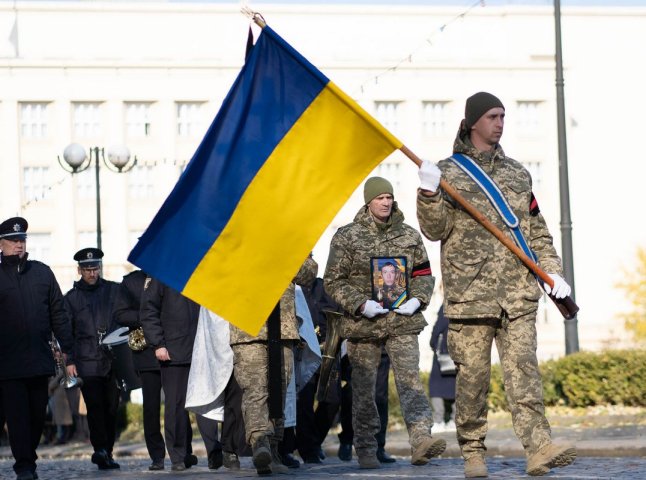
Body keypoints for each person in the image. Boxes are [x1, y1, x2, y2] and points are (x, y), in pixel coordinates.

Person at [416, 91, 576, 478]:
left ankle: (539, 448)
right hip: (471, 296)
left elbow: (536, 230)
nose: (500, 123)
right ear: (473, 122)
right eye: (492, 116)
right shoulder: (448, 172)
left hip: (518, 293)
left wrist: (553, 272)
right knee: (472, 380)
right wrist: (427, 193)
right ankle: (473, 452)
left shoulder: (518, 173)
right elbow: (435, 230)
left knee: (524, 371)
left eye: (503, 116)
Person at [324, 177, 446, 470]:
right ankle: (365, 447)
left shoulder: (409, 235)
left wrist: (417, 300)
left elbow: (424, 274)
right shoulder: (347, 236)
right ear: (368, 201)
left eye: (389, 197)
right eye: (380, 197)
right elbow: (333, 281)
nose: (386, 202)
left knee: (410, 383)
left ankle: (421, 441)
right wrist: (360, 304)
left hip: (402, 323)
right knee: (364, 390)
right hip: (364, 327)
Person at [0, 217, 75, 480]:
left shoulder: (42, 273)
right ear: (2, 245)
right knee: (18, 417)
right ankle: (25, 466)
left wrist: (68, 350)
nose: (18, 245)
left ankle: (27, 456)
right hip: (8, 365)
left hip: (39, 360)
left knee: (35, 416)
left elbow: (59, 314)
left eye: (22, 240)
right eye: (13, 241)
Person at [230, 255, 317, 476]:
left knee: (280, 390)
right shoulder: (234, 232)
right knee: (255, 388)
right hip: (247, 325)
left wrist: (285, 253)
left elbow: (308, 274)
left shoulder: (288, 234)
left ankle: (274, 449)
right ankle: (260, 441)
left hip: (282, 327)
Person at [139, 277, 214, 472]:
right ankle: (178, 455)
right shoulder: (161, 275)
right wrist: (158, 343)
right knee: (176, 405)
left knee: (208, 402)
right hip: (174, 350)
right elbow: (148, 311)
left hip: (201, 347)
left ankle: (216, 453)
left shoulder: (201, 272)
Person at [64, 248, 121, 470]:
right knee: (95, 407)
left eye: (95, 268)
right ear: (79, 270)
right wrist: (69, 362)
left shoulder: (114, 291)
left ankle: (108, 450)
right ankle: (101, 450)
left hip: (113, 361)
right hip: (86, 362)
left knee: (111, 409)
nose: (92, 273)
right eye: (87, 269)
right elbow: (66, 332)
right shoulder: (71, 298)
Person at [113, 269, 166, 470]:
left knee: (178, 403)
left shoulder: (168, 275)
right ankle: (157, 456)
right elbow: (119, 313)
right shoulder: (130, 281)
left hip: (172, 348)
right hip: (145, 353)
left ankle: (183, 451)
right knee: (151, 407)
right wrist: (147, 314)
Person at [428, 306, 456, 433]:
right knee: (457, 386)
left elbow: (438, 327)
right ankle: (454, 420)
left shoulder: (446, 304)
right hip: (459, 353)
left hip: (443, 356)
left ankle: (438, 421)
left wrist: (433, 344)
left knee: (436, 387)